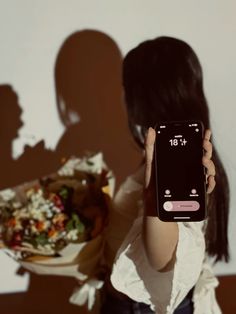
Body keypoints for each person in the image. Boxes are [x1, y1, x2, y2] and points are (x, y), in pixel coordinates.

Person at [102, 37, 230, 314]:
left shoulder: (175, 165)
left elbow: (162, 259)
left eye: (127, 89)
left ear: (142, 96)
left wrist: (154, 195)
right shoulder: (168, 154)